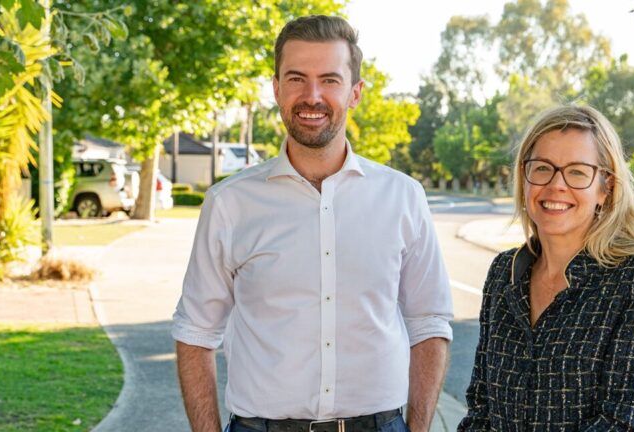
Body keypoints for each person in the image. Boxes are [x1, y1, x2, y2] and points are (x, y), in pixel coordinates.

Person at [172, 15, 453, 432]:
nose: (312, 96)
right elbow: (195, 332)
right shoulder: (229, 203)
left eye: (330, 80)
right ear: (276, 89)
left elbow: (429, 323)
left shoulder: (403, 197)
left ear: (355, 92)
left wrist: (418, 428)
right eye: (296, 79)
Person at [458, 105, 634, 431]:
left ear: (605, 187)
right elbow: (482, 408)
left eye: (577, 172)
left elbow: (625, 421)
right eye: (542, 168)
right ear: (524, 178)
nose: (556, 185)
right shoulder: (505, 272)